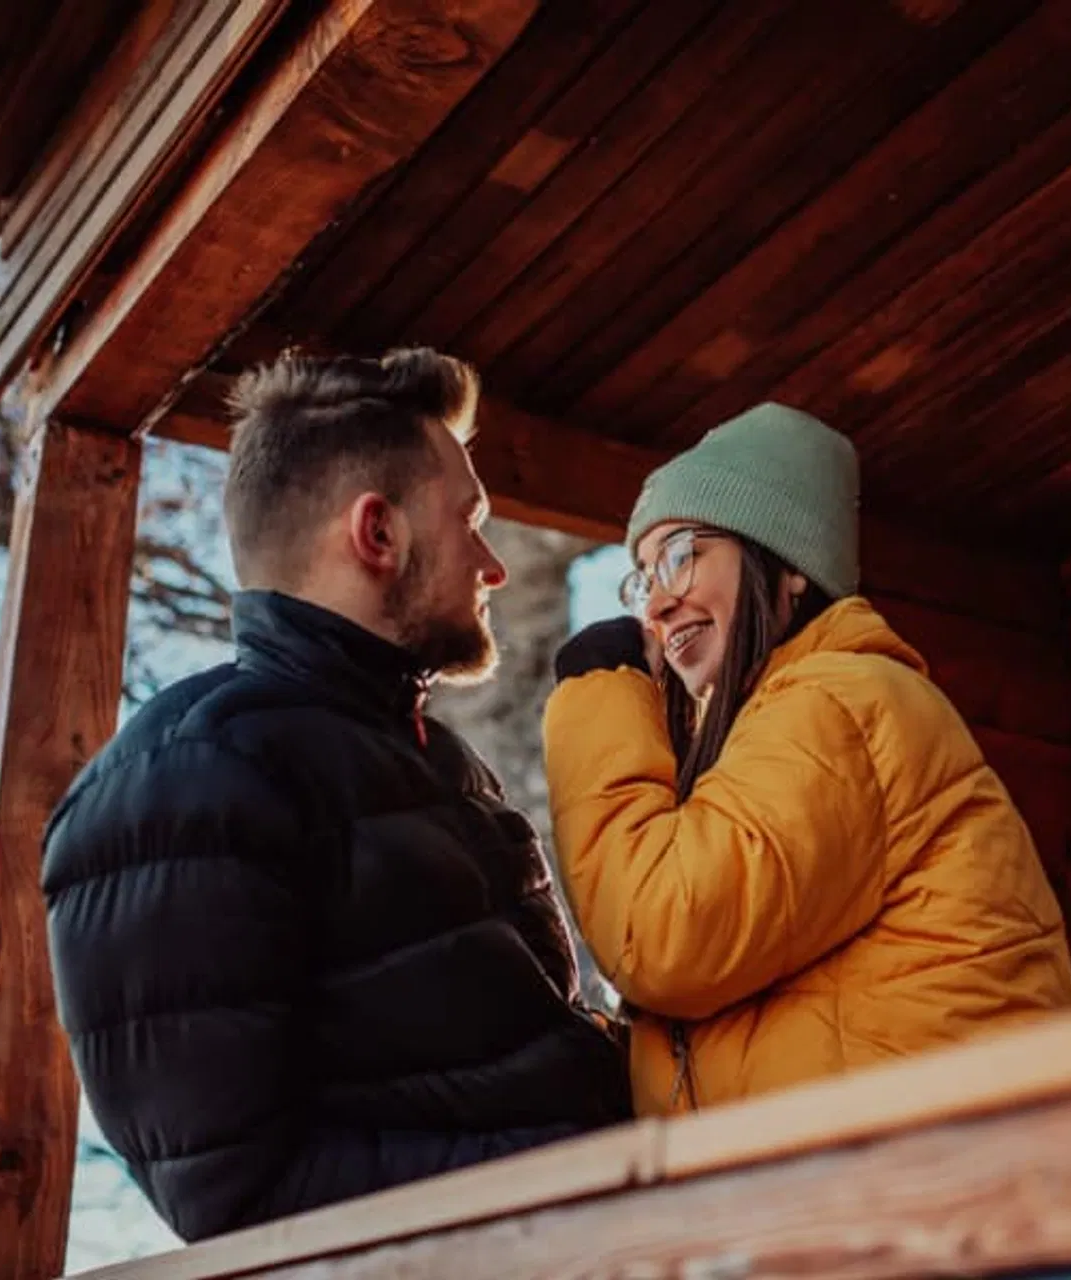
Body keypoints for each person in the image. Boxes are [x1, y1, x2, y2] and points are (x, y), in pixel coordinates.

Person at [41, 349, 630, 1243]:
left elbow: (520, 1072)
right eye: (468, 518)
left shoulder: (439, 763)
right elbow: (241, 1199)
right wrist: (597, 1170)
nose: (492, 563)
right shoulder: (184, 782)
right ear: (377, 534)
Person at [544, 402, 1071, 1116]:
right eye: (643, 577)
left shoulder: (838, 703)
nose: (658, 605)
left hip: (931, 1186)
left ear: (787, 566)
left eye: (681, 555)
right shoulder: (779, 724)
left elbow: (663, 934)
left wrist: (600, 697)